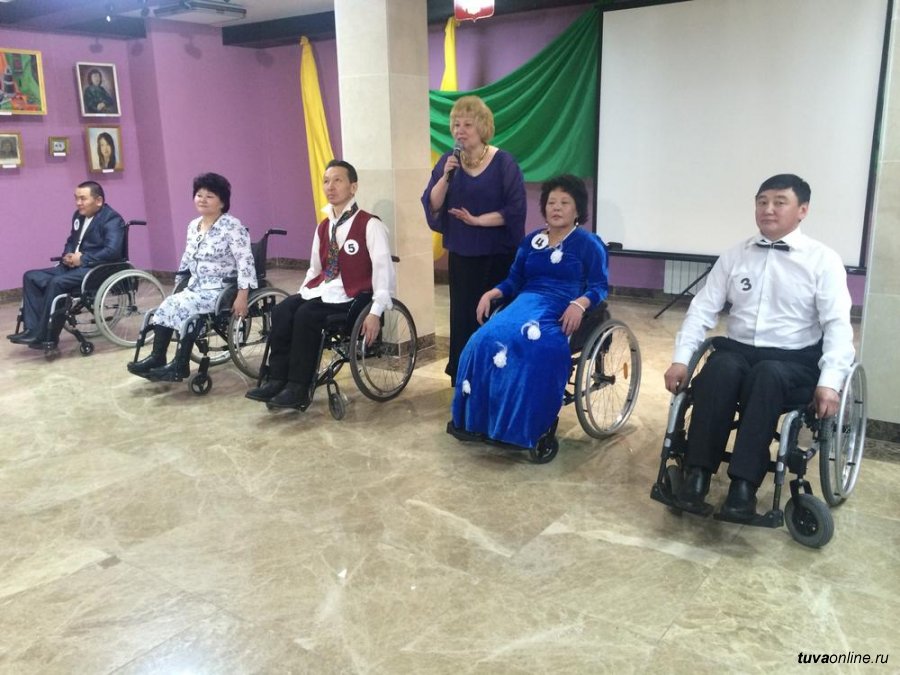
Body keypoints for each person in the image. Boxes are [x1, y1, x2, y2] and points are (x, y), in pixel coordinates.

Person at [662, 174, 854, 521]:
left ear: (802, 210)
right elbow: (702, 310)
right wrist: (681, 360)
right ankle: (697, 475)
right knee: (719, 369)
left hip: (793, 359)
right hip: (738, 351)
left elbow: (837, 324)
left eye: (780, 202)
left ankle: (743, 487)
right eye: (762, 202)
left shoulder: (823, 260)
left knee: (767, 375)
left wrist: (830, 381)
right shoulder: (735, 255)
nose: (768, 209)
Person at [449, 175, 608, 449]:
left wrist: (579, 304)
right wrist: (492, 293)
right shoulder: (531, 241)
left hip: (561, 307)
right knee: (480, 341)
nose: (556, 207)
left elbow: (599, 286)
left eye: (564, 203)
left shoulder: (589, 243)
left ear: (577, 210)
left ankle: (522, 427)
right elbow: (514, 280)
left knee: (533, 349)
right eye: (551, 202)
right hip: (524, 303)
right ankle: (480, 421)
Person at [245, 159, 395, 410]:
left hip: (353, 296)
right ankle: (277, 378)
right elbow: (315, 269)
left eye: (337, 180)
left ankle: (298, 386)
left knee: (306, 316)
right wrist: (302, 293)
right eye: (326, 181)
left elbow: (383, 272)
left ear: (353, 187)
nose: (330, 186)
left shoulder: (370, 225)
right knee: (283, 310)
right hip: (324, 289)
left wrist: (376, 312)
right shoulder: (324, 227)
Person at [421, 95, 526, 386]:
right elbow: (432, 203)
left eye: (467, 124)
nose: (460, 130)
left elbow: (515, 211)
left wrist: (478, 220)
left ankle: (494, 377)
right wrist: (445, 177)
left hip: (496, 256)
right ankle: (463, 376)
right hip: (462, 256)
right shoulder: (449, 161)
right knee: (463, 317)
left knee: (492, 318)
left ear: (482, 127)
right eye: (456, 124)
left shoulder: (503, 163)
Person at [127, 172, 256, 381]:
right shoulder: (194, 225)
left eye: (210, 196)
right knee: (167, 305)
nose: (202, 200)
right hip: (196, 286)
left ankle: (180, 365)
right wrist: (178, 285)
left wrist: (243, 295)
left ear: (222, 202)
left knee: (184, 307)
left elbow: (245, 261)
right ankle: (157, 357)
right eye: (199, 195)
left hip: (221, 288)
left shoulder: (232, 226)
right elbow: (187, 258)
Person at [9, 181, 125, 349]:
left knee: (58, 282)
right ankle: (31, 330)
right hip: (73, 266)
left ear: (98, 200)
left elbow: (112, 251)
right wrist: (67, 255)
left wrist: (83, 259)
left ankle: (47, 336)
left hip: (95, 269)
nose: (78, 203)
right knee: (31, 277)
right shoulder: (78, 216)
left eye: (83, 198)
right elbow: (72, 240)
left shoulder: (112, 219)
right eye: (76, 198)